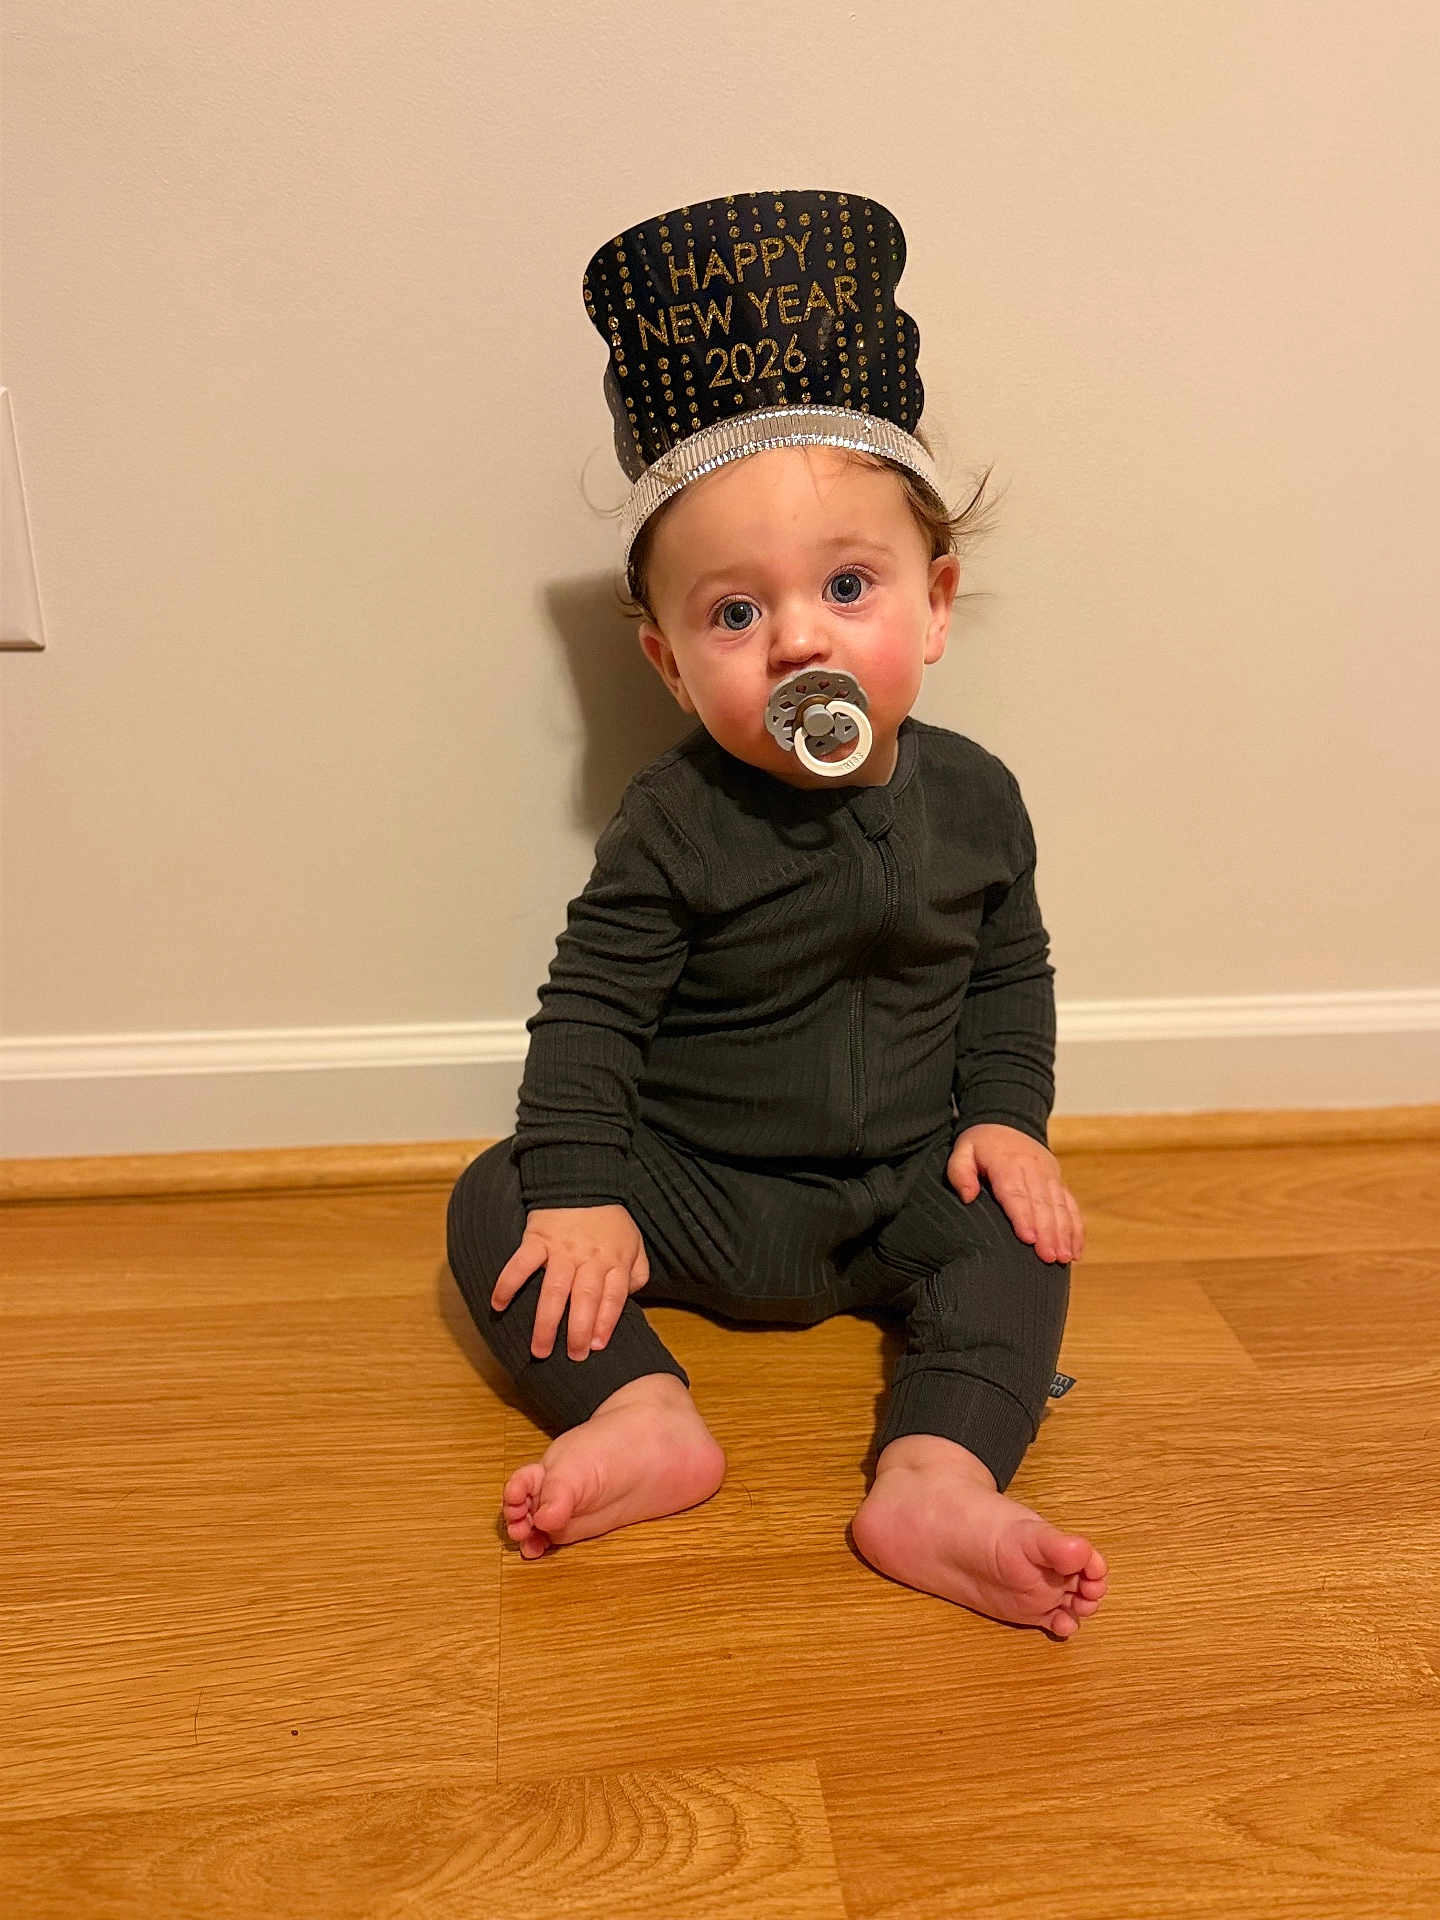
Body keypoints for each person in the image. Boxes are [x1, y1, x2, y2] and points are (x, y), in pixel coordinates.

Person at [447, 189, 1109, 1637]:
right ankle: (639, 1415)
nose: (799, 635)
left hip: (895, 1196)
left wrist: (1008, 1120)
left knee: (1029, 1234)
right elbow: (594, 1010)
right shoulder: (677, 818)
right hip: (697, 1185)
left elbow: (1012, 969)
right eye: (735, 614)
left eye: (848, 586)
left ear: (933, 608)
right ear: (671, 665)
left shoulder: (980, 800)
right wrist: (579, 1189)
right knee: (495, 1197)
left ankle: (935, 1473)